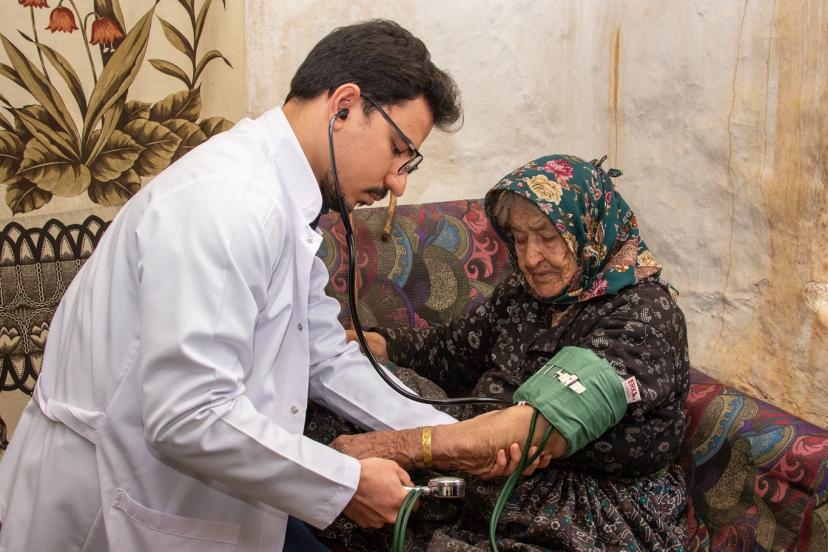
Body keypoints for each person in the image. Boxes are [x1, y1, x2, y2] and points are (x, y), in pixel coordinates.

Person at [0, 19, 515, 552]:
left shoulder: (282, 198)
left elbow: (324, 357)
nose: (397, 182)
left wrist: (445, 437)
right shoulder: (231, 202)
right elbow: (188, 415)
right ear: (344, 106)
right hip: (112, 505)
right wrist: (346, 484)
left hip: (207, 496)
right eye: (397, 149)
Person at [316, 154, 692, 551]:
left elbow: (538, 426)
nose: (530, 258)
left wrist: (398, 446)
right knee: (332, 419)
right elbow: (450, 351)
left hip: (584, 508)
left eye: (547, 237)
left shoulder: (644, 316)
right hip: (481, 467)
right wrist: (375, 343)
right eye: (520, 238)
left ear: (588, 231)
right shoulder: (524, 295)